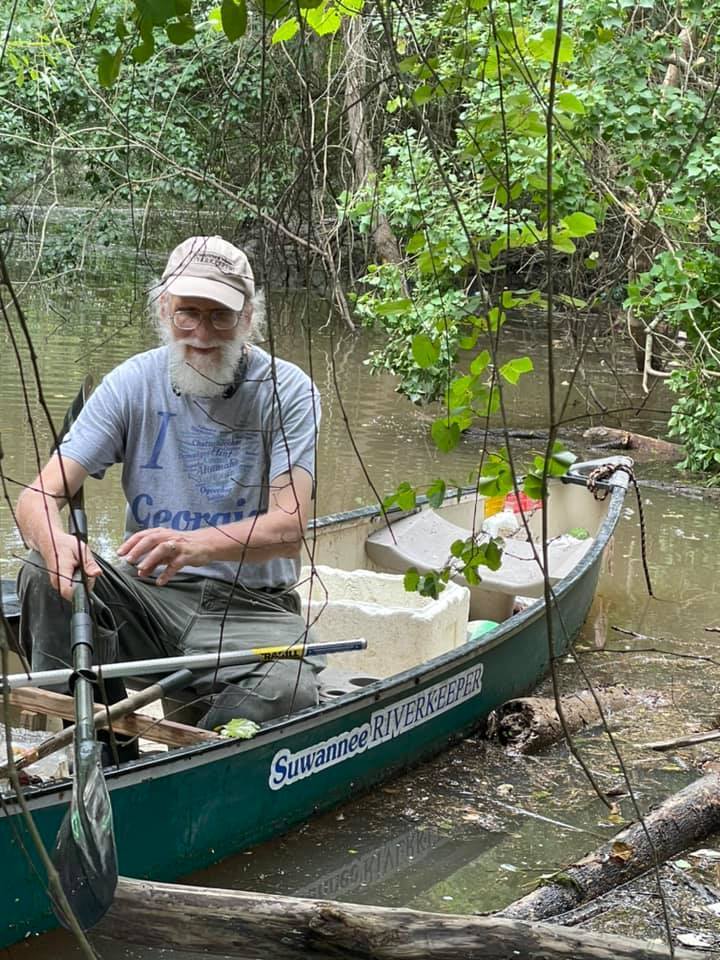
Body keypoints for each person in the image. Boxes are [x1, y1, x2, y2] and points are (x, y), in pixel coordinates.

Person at [16, 236, 323, 755]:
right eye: (187, 314)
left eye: (219, 316)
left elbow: (288, 529)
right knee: (40, 572)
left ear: (249, 317)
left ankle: (189, 759)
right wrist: (56, 542)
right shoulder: (131, 383)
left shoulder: (288, 391)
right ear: (164, 308)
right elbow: (36, 496)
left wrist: (195, 545)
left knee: (285, 691)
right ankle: (97, 754)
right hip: (150, 594)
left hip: (252, 609)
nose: (201, 334)